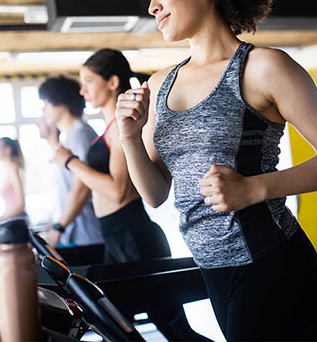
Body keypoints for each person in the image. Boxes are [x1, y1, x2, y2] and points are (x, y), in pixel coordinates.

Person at [116, 0, 317, 341]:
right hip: (213, 268)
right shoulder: (160, 84)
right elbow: (155, 194)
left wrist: (253, 188)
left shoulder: (264, 67)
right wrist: (129, 137)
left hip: (272, 264)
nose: (152, 6)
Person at [51, 49, 210, 341]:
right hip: (116, 235)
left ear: (112, 82)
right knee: (117, 327)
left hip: (133, 236)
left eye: (88, 81)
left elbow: (118, 190)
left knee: (173, 329)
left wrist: (70, 161)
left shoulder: (120, 130)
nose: (82, 89)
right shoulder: (107, 131)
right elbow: (89, 187)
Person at [38, 75, 104, 249]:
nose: (44, 111)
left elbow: (81, 187)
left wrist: (59, 227)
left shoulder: (80, 134)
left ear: (60, 102)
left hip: (86, 236)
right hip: (72, 233)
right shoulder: (69, 137)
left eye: (46, 104)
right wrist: (52, 223)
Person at [0, 137, 27, 224]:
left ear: (7, 149)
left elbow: (21, 205)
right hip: (12, 219)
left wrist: (1, 221)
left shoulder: (14, 169)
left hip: (17, 222)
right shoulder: (9, 170)